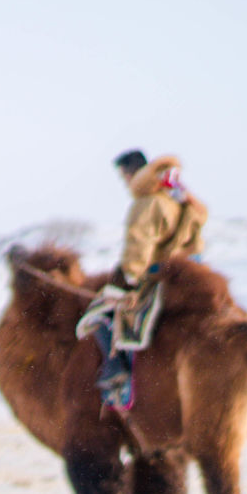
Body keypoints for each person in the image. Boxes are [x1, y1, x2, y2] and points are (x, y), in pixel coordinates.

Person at [78, 149, 210, 411]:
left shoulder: (147, 203)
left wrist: (127, 280)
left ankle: (119, 378)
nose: (125, 183)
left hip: (159, 274)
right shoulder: (179, 200)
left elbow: (138, 248)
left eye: (123, 177)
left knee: (103, 313)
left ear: (131, 174)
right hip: (192, 272)